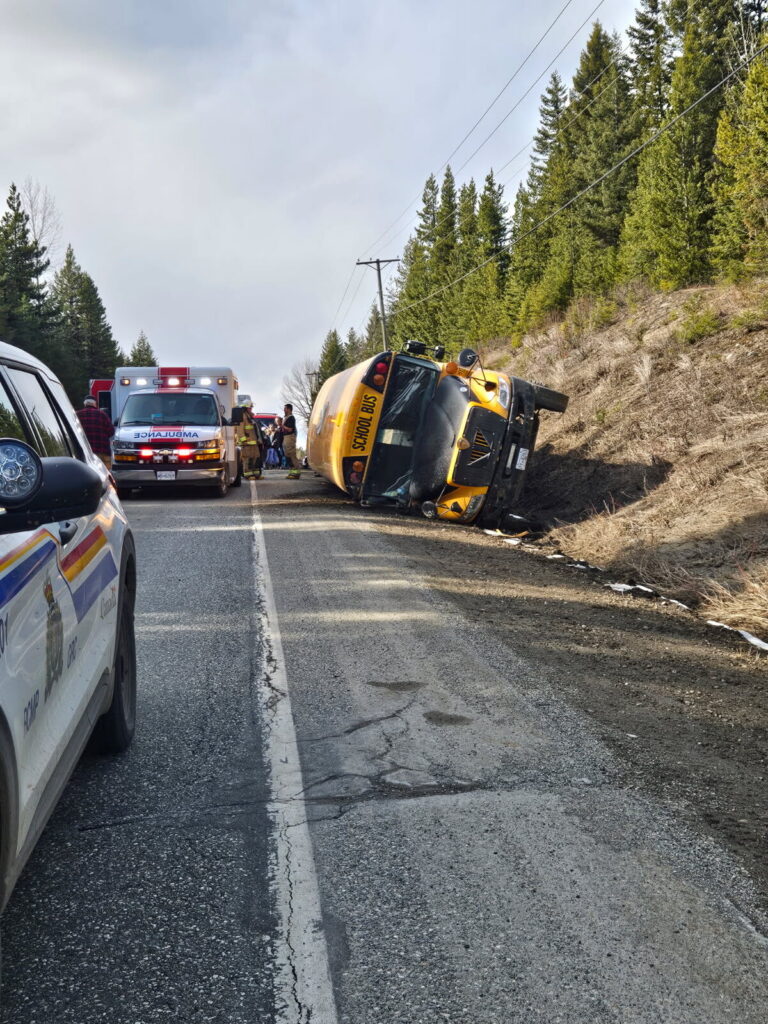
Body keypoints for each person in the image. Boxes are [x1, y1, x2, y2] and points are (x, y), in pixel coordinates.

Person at [76, 395, 115, 468]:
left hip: (86, 453)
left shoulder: (77, 415)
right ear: (95, 404)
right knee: (105, 475)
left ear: (85, 404)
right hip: (102, 452)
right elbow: (111, 431)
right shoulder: (102, 414)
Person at [282, 404, 297, 470]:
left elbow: (290, 429)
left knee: (291, 454)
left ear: (289, 409)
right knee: (287, 454)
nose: (284, 410)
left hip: (289, 437)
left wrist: (282, 426)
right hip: (285, 437)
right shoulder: (285, 418)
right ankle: (292, 471)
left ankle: (295, 471)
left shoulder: (291, 418)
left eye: (285, 408)